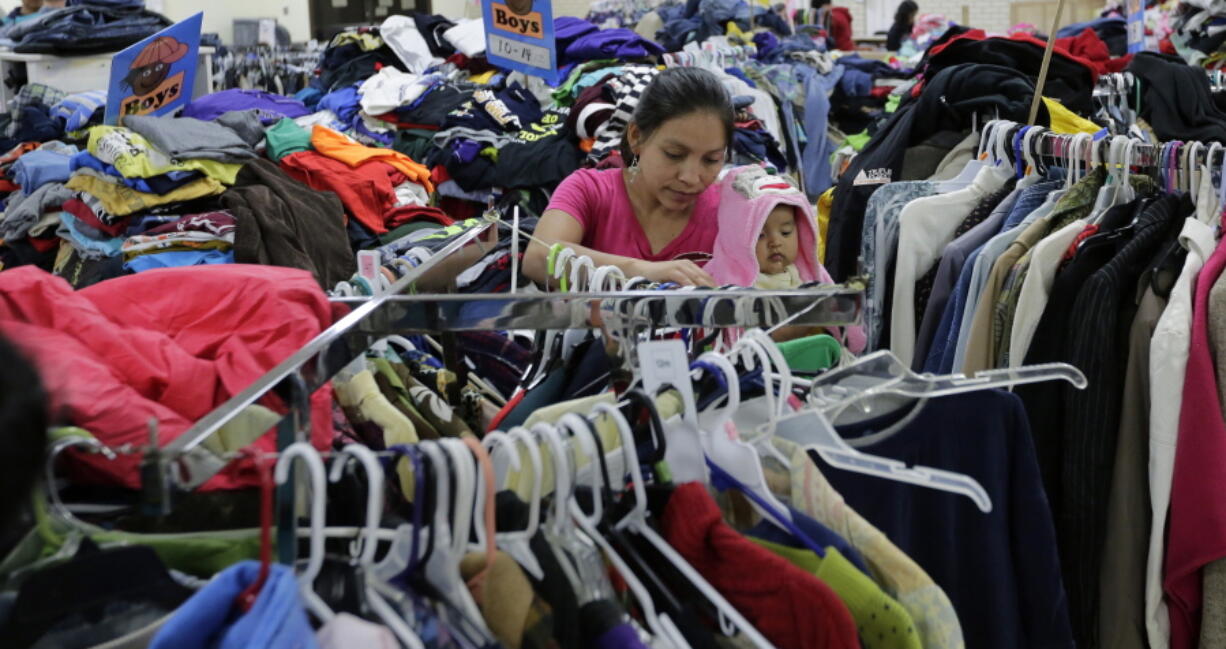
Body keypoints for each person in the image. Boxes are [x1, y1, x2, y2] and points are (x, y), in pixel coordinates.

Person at [523, 67, 734, 287]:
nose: (691, 177)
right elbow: (538, 257)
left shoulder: (732, 210)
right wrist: (645, 272)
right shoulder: (589, 190)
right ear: (636, 137)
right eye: (674, 155)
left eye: (711, 160)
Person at [705, 166, 866, 349]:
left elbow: (841, 314)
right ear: (736, 237)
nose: (775, 242)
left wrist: (853, 339)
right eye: (760, 235)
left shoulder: (807, 273)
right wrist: (813, 312)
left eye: (785, 232)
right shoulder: (722, 277)